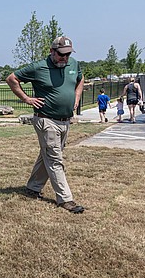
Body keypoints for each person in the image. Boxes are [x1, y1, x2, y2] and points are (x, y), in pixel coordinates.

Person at [6, 36, 85, 213]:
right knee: (55, 159)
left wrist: (77, 96)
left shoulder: (73, 64)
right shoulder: (38, 67)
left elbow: (81, 79)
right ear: (52, 51)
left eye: (67, 54)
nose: (64, 58)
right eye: (61, 55)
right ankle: (66, 199)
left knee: (48, 155)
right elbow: (11, 79)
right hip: (46, 119)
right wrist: (26, 98)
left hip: (65, 120)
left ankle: (33, 188)